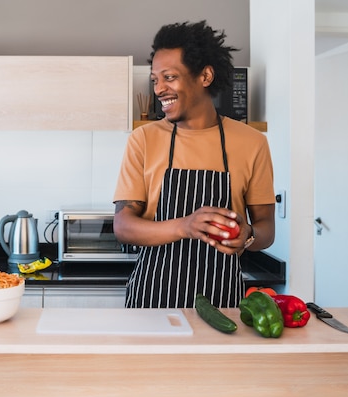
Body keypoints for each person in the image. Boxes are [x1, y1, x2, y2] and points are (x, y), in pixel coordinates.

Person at [113, 21, 275, 308]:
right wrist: (185, 226)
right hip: (151, 301)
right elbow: (123, 226)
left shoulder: (252, 143)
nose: (159, 89)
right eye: (155, 80)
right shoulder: (144, 139)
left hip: (222, 304)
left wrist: (248, 236)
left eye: (170, 77)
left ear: (205, 76)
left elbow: (266, 229)